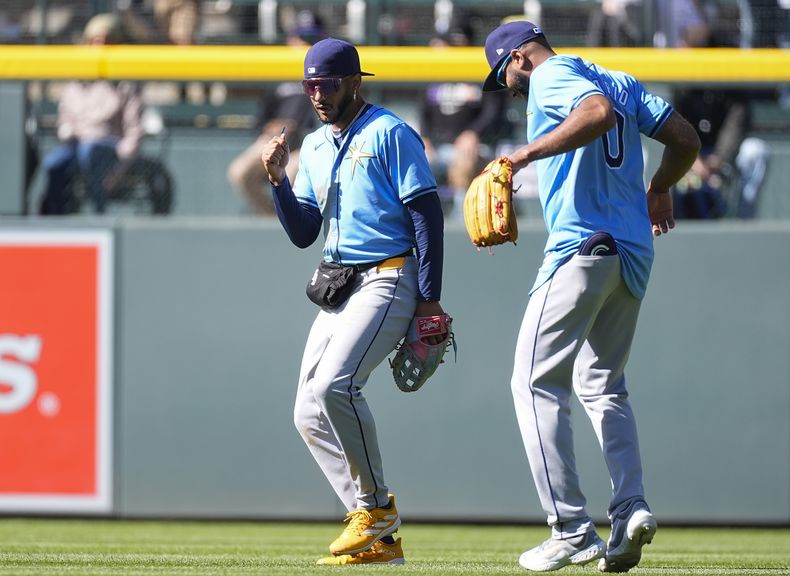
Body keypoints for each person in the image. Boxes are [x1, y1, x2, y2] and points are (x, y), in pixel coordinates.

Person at [479, 20, 700, 572]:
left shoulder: (552, 74)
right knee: (603, 385)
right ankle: (630, 508)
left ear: (517, 60)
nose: (510, 90)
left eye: (505, 78)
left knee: (532, 381)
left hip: (583, 244)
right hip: (630, 253)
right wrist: (661, 187)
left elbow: (595, 113)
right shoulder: (619, 78)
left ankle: (571, 527)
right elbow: (686, 140)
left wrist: (521, 156)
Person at [261, 38, 448, 566]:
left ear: (355, 81)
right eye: (310, 85)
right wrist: (278, 182)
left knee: (333, 386)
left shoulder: (390, 132)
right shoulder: (316, 147)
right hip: (341, 283)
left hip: (389, 275)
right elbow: (303, 232)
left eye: (329, 84)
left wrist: (430, 301)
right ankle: (379, 537)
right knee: (306, 411)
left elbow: (426, 216)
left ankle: (376, 508)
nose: (318, 94)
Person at [40, 13, 144, 215]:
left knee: (91, 150)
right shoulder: (76, 83)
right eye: (95, 41)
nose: (100, 47)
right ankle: (53, 218)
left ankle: (99, 215)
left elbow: (134, 133)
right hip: (76, 146)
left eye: (106, 41)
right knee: (54, 163)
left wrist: (121, 167)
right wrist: (66, 131)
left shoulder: (125, 85)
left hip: (109, 150)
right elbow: (64, 121)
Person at [227, 10, 323, 215]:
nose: (305, 45)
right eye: (301, 38)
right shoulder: (278, 71)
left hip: (304, 142)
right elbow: (261, 118)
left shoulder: (322, 74)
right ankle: (272, 217)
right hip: (273, 139)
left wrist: (296, 127)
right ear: (291, 39)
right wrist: (269, 126)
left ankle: (291, 220)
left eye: (311, 40)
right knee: (238, 172)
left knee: (290, 174)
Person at [418, 21, 507, 216]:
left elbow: (493, 113)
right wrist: (423, 139)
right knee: (415, 161)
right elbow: (423, 113)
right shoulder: (436, 72)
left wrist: (473, 133)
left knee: (463, 160)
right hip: (438, 146)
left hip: (475, 148)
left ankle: (463, 216)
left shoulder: (479, 70)